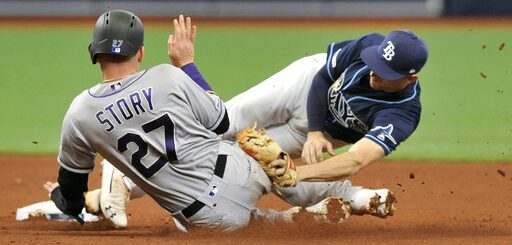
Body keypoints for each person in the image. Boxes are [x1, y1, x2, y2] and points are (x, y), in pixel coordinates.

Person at [85, 20, 427, 229]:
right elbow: (323, 76)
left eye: (385, 74)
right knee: (221, 127)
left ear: (409, 78)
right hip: (302, 87)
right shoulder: (371, 45)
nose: (373, 73)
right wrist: (317, 130)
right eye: (375, 64)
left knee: (243, 166)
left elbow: (356, 159)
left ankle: (354, 198)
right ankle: (123, 182)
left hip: (304, 134)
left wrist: (294, 171)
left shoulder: (402, 115)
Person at [46, 9, 358, 231]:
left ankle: (277, 222)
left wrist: (66, 200)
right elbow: (221, 122)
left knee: (199, 226)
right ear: (140, 52)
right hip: (240, 170)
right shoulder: (167, 76)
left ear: (93, 53)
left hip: (208, 217)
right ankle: (350, 195)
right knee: (260, 151)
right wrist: (187, 64)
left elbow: (71, 188)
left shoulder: (80, 113)